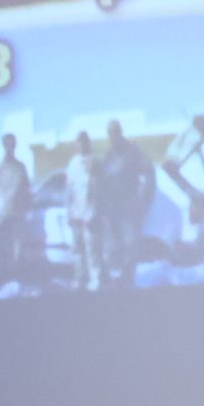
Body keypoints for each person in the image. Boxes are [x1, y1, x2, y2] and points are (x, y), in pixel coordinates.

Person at [96, 121, 152, 286]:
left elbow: (148, 171)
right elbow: (103, 180)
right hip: (112, 207)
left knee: (130, 243)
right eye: (110, 133)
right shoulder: (109, 155)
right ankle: (117, 277)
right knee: (112, 245)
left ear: (120, 132)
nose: (113, 136)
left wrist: (144, 198)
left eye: (115, 132)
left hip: (128, 205)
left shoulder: (132, 151)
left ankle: (129, 276)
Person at [0, 132, 31, 287]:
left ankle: (15, 275)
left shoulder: (21, 167)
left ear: (15, 145)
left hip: (16, 211)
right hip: (0, 211)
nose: (10, 147)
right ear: (4, 146)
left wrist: (27, 208)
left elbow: (26, 190)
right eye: (7, 144)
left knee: (16, 244)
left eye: (12, 143)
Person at [66, 131, 101, 292]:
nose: (81, 145)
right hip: (76, 214)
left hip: (90, 214)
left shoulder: (95, 162)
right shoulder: (73, 164)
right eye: (78, 142)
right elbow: (69, 190)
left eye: (83, 142)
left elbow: (100, 189)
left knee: (92, 248)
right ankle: (79, 278)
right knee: (77, 248)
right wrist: (69, 213)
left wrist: (94, 211)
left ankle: (96, 279)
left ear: (88, 143)